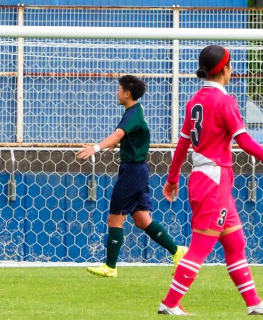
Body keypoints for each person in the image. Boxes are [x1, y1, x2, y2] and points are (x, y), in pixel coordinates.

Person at [159, 45, 263, 316]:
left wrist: (172, 179)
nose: (232, 70)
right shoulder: (225, 101)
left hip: (205, 178)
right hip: (214, 181)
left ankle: (254, 303)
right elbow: (245, 141)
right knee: (200, 247)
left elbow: (182, 144)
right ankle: (169, 303)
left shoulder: (195, 101)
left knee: (235, 242)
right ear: (225, 69)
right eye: (231, 65)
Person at [78, 75, 186, 277]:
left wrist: (96, 148)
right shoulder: (135, 111)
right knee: (142, 220)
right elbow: (134, 135)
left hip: (132, 172)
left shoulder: (132, 114)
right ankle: (177, 251)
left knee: (114, 219)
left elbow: (118, 134)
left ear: (127, 93)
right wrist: (120, 144)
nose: (116, 93)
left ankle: (110, 267)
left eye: (119, 89)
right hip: (138, 170)